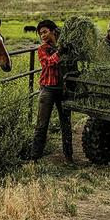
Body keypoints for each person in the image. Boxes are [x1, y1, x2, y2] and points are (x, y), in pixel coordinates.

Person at [31, 19, 74, 163]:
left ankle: (69, 157)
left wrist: (63, 49)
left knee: (66, 123)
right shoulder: (42, 49)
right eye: (40, 33)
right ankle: (35, 158)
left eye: (45, 32)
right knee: (42, 125)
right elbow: (48, 63)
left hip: (63, 90)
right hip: (47, 90)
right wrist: (60, 52)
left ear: (53, 31)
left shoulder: (65, 45)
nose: (42, 36)